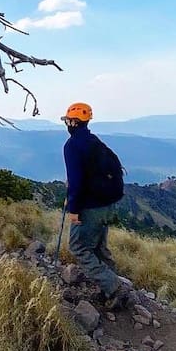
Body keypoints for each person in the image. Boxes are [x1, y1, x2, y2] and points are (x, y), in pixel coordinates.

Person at [62, 102, 129, 310]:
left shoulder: (72, 146)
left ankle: (114, 288)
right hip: (108, 204)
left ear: (74, 122)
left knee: (78, 247)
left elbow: (76, 181)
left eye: (68, 120)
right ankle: (112, 287)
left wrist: (73, 210)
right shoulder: (94, 141)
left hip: (90, 207)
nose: (67, 124)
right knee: (99, 248)